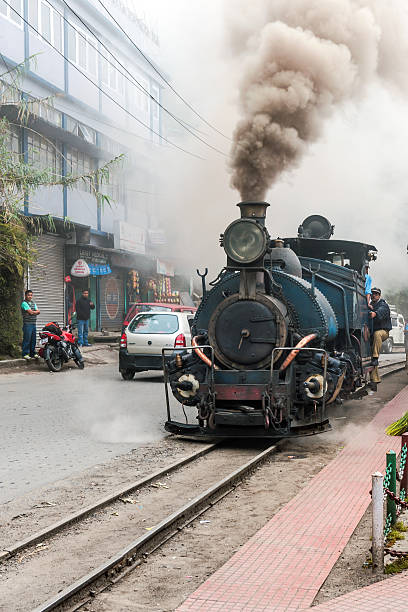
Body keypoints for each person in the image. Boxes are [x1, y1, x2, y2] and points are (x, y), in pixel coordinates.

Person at [369, 287, 392, 390]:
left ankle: (375, 357)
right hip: (372, 334)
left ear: (379, 295)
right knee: (370, 358)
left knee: (377, 334)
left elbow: (381, 312)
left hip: (383, 332)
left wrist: (375, 313)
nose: (374, 295)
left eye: (376, 294)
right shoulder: (370, 305)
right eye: (372, 293)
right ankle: (374, 380)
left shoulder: (383, 305)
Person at [21, 289, 40, 360]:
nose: (30, 296)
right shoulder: (24, 303)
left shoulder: (33, 303)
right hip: (27, 324)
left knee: (33, 339)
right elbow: (31, 312)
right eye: (29, 295)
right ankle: (25, 353)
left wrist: (33, 312)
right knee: (27, 339)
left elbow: (38, 311)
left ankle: (32, 353)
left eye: (31, 295)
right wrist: (34, 312)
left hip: (33, 324)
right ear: (25, 295)